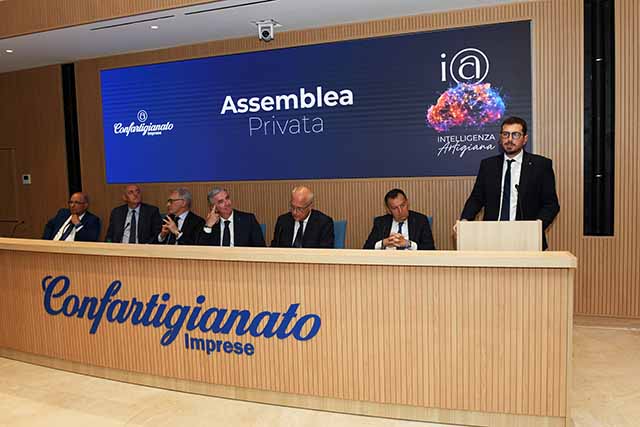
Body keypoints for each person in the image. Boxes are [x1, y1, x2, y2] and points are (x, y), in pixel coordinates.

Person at [458, 116, 560, 250]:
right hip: (491, 237)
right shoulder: (488, 165)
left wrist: (536, 226)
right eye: (505, 134)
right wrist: (464, 221)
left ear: (525, 139)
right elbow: (476, 198)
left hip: (527, 238)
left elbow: (551, 204)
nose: (509, 139)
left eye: (515, 135)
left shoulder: (541, 165)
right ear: (500, 138)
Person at [363, 188, 435, 250]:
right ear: (388, 210)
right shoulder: (381, 222)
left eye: (403, 205)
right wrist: (383, 243)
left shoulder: (420, 220)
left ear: (407, 203)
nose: (400, 211)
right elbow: (366, 248)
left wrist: (409, 244)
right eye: (395, 208)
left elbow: (430, 249)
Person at [197, 187, 266, 247]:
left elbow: (261, 248)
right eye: (221, 202)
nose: (227, 203)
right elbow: (200, 250)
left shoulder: (248, 220)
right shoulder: (211, 224)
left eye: (227, 198)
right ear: (213, 207)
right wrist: (208, 226)